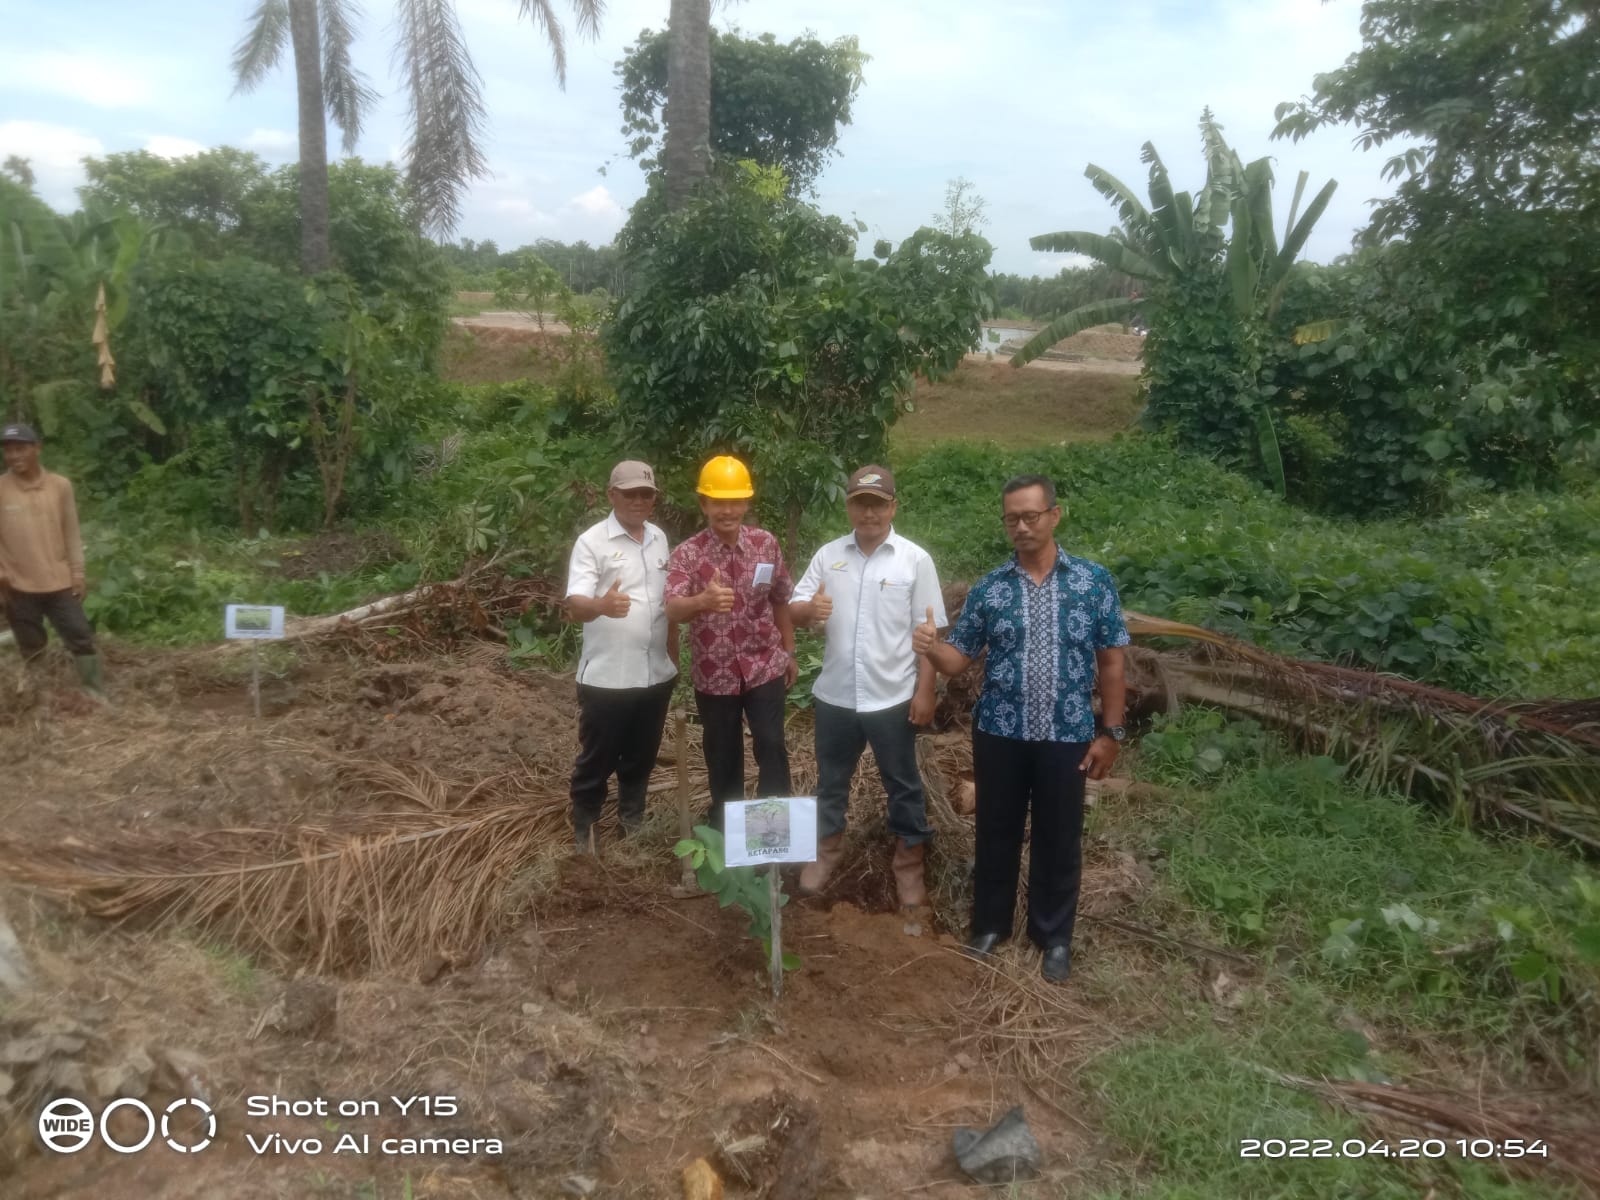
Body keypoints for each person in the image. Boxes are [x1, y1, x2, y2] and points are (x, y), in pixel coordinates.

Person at [913, 474, 1128, 983]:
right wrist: (928, 645)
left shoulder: (1091, 582)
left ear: (1055, 515)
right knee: (995, 832)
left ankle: (1053, 936)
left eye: (1031, 515)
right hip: (1000, 733)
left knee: (1059, 837)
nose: (1022, 526)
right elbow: (957, 660)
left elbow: (1113, 663)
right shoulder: (991, 588)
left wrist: (1110, 734)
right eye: (1012, 518)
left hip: (1066, 732)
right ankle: (989, 926)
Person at [788, 465, 946, 913]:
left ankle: (908, 862)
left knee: (903, 784)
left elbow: (928, 632)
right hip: (836, 694)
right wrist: (808, 611)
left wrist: (925, 691)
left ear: (893, 506)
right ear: (850, 506)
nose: (869, 513)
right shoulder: (828, 555)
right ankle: (828, 849)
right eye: (861, 503)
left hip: (892, 695)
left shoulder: (913, 560)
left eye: (878, 504)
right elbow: (797, 607)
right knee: (831, 780)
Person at [665, 456, 796, 831]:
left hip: (764, 665)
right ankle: (728, 833)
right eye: (718, 502)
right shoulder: (688, 554)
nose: (727, 510)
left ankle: (773, 835)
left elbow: (781, 598)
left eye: (735, 501)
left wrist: (789, 651)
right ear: (703, 504)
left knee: (771, 745)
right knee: (723, 755)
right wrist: (702, 602)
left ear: (747, 503)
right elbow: (673, 608)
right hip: (714, 673)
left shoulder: (765, 544)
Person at [563, 461, 679, 851]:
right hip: (608, 678)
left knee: (642, 756)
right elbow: (574, 606)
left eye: (646, 494)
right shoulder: (592, 542)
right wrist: (601, 605)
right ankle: (586, 831)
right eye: (630, 493)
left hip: (655, 675)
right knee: (597, 757)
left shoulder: (660, 539)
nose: (639, 501)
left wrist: (674, 661)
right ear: (612, 495)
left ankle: (632, 824)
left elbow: (668, 605)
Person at [0, 423, 105, 700]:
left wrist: (78, 573)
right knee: (31, 646)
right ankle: (39, 698)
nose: (13, 456)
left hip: (59, 583)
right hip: (18, 587)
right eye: (8, 451)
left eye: (20, 449)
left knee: (80, 637)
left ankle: (94, 693)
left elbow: (71, 532)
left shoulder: (60, 486)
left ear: (37, 448)